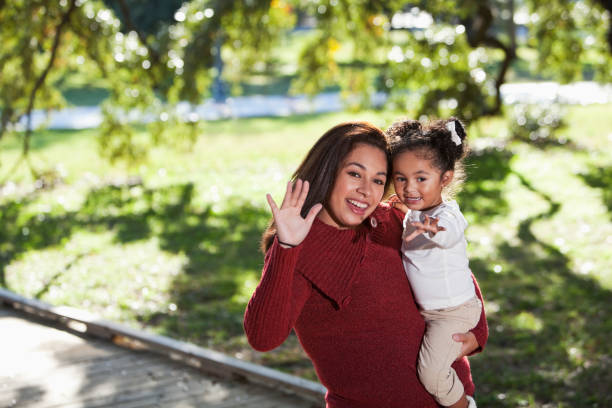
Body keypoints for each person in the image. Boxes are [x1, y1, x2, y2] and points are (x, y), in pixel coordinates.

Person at [243, 121, 488, 408]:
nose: (365, 191)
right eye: (355, 174)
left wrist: (477, 331)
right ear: (328, 171)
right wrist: (286, 248)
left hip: (452, 400)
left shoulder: (391, 219)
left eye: (378, 180)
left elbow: (451, 265)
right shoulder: (298, 248)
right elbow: (262, 337)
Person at [387, 118, 481, 408]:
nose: (409, 187)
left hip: (453, 313)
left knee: (431, 373)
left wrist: (429, 226)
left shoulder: (447, 215)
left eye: (420, 178)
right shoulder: (415, 212)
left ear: (445, 179)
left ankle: (463, 406)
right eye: (400, 178)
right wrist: (408, 212)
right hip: (432, 312)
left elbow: (449, 231)